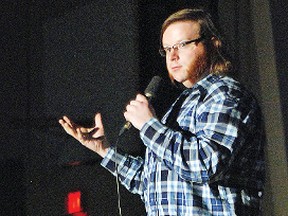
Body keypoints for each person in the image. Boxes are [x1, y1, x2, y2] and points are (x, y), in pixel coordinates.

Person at [59, 8, 265, 215]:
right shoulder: (183, 103)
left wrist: (149, 126)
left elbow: (205, 163)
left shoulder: (225, 95)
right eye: (167, 49)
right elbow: (153, 183)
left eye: (182, 45)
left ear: (212, 43)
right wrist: (103, 149)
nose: (173, 56)